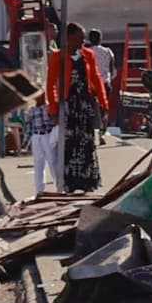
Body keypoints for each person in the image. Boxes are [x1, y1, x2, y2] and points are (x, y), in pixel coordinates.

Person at [49, 21, 113, 191]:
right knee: (69, 143)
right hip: (69, 106)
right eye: (79, 38)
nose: (82, 41)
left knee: (87, 142)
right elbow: (51, 85)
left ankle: (87, 182)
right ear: (69, 38)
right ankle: (69, 182)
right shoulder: (58, 56)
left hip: (85, 105)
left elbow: (96, 79)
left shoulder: (88, 55)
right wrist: (54, 110)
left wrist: (104, 102)